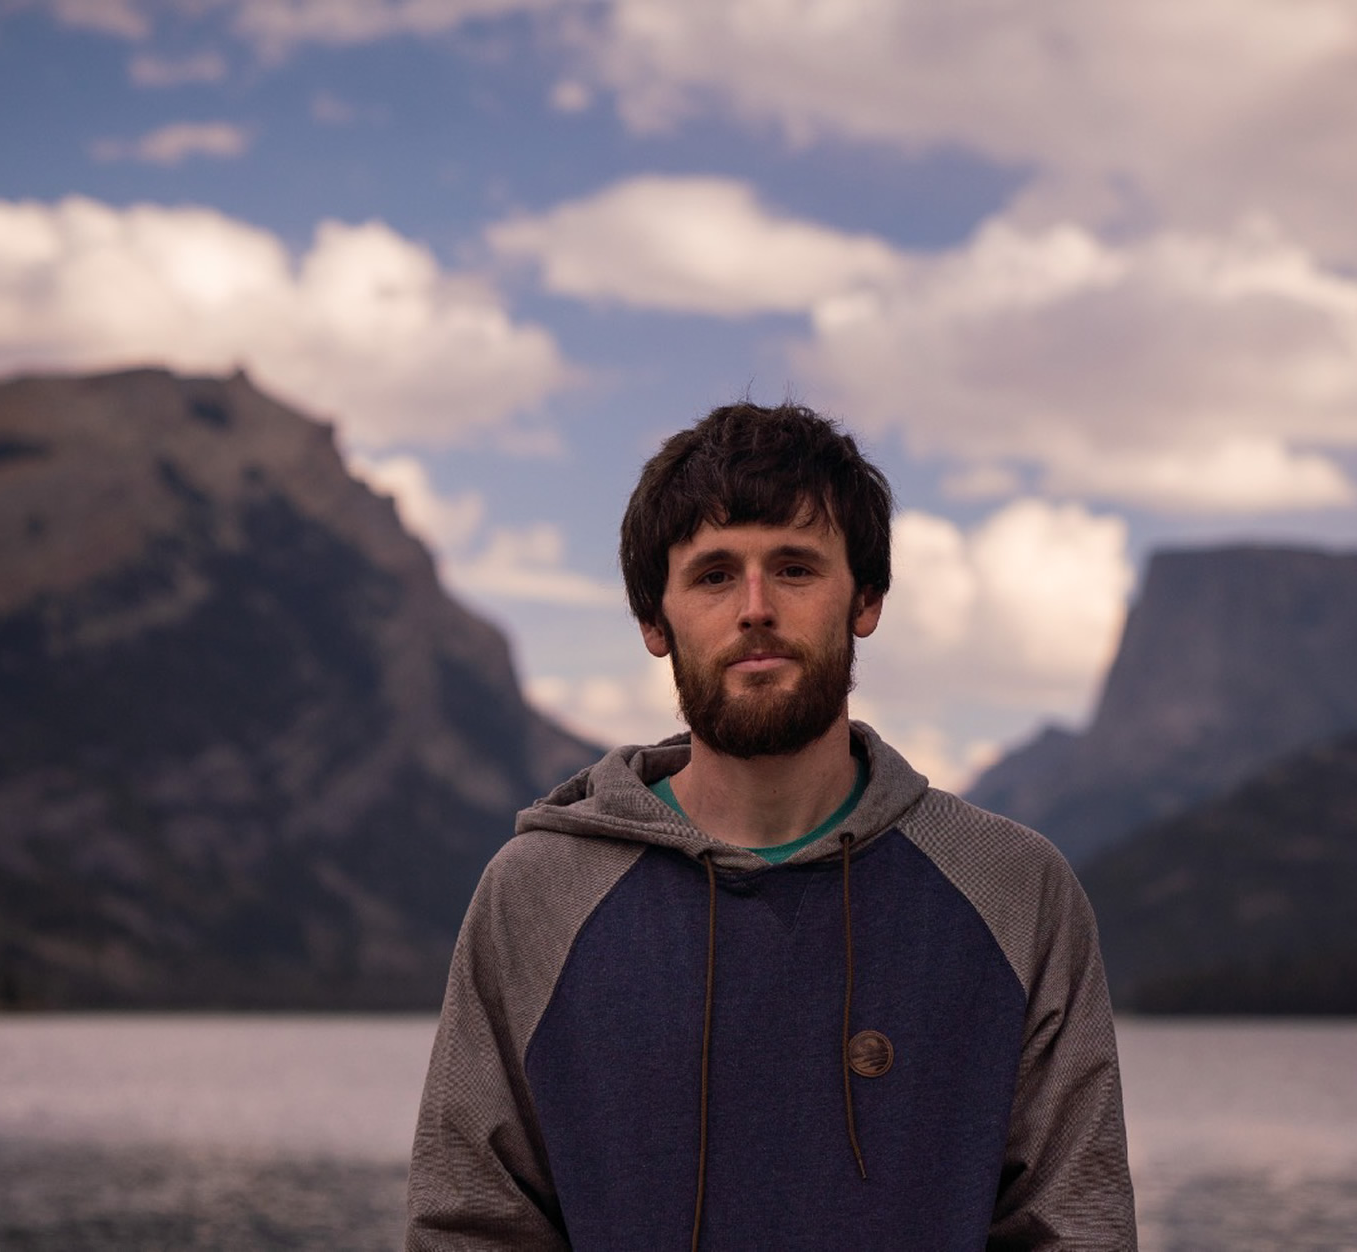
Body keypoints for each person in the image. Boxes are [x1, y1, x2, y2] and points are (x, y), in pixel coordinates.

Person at [407, 402, 1137, 1250]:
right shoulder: (537, 894)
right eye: (714, 575)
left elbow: (1073, 1227)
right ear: (654, 622)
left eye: (794, 569)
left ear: (863, 601)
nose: (754, 607)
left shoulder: (1013, 888)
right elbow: (472, 1225)